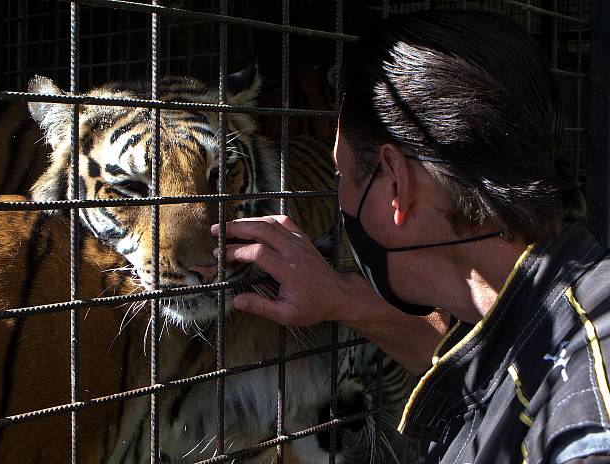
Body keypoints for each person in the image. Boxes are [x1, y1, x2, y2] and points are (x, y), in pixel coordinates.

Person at [211, 10, 610, 464]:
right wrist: (339, 297)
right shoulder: (563, 305)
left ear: (396, 184)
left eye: (340, 174)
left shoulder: (584, 424)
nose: (338, 196)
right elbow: (488, 369)